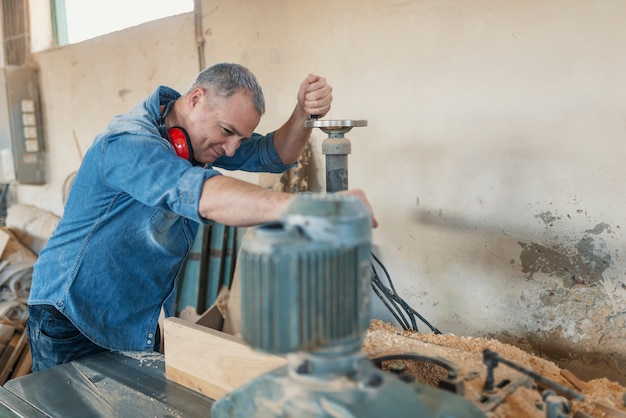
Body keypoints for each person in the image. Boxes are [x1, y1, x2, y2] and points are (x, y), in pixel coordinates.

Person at [26, 63, 376, 372]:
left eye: (240, 137)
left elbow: (275, 154)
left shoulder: (195, 140)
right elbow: (198, 194)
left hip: (129, 318)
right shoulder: (127, 143)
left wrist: (303, 114)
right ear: (195, 100)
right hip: (70, 315)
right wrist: (314, 210)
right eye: (227, 132)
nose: (233, 149)